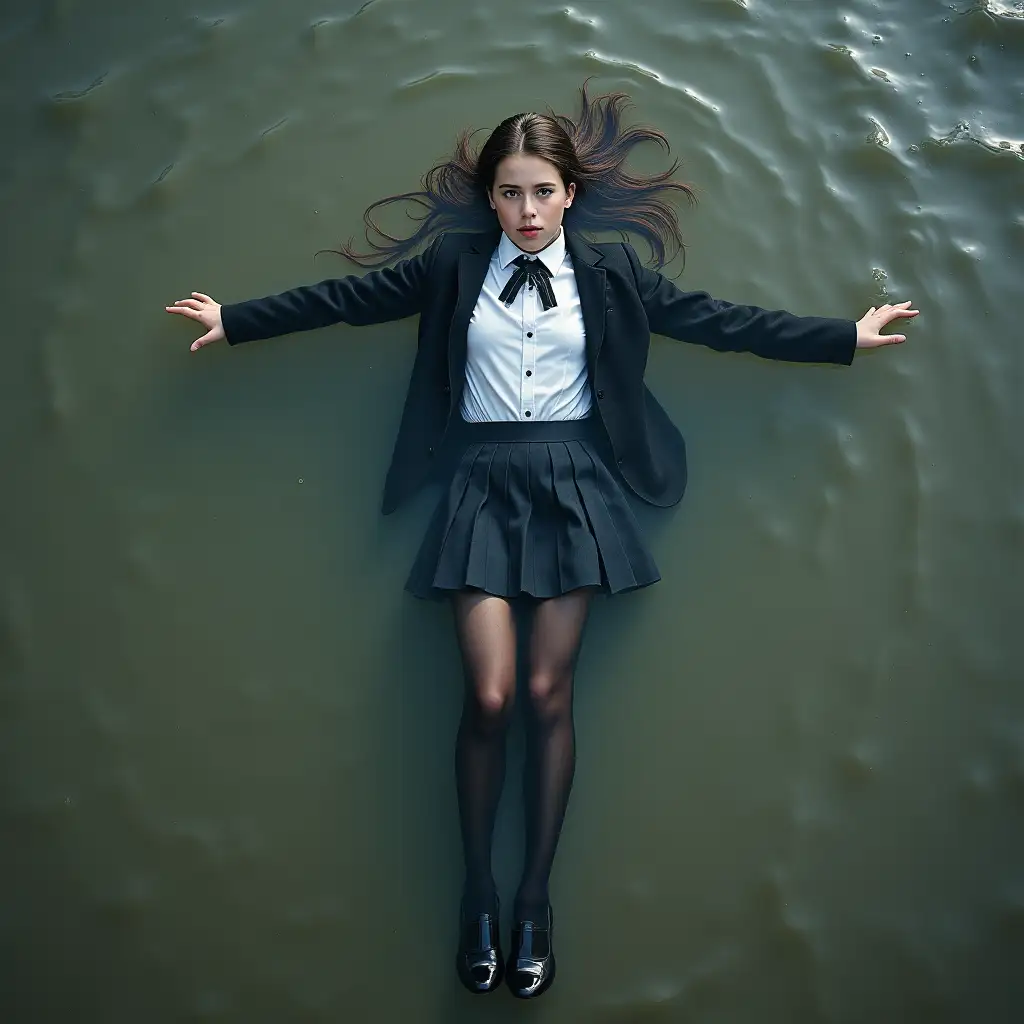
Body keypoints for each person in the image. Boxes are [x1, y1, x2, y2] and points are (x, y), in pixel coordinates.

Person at [166, 83, 918, 999]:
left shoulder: (611, 276)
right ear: (490, 198)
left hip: (575, 491)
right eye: (511, 193)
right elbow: (347, 298)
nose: (527, 211)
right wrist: (234, 320)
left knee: (544, 691)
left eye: (543, 192)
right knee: (487, 696)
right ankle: (476, 892)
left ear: (571, 195)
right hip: (481, 485)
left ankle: (533, 902)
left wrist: (845, 335)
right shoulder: (449, 268)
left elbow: (722, 323)